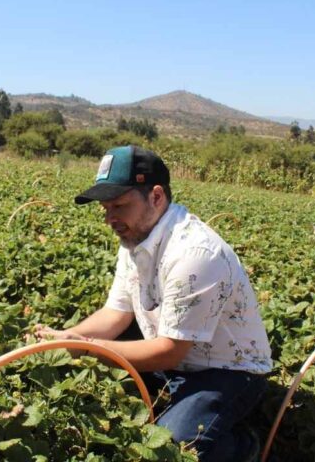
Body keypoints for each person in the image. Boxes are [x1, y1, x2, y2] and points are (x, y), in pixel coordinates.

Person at [33, 145, 272, 461]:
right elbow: (115, 313)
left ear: (156, 197)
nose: (110, 218)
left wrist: (87, 348)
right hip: (172, 358)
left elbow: (170, 350)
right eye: (105, 208)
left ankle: (242, 446)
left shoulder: (195, 255)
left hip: (226, 371)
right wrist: (63, 340)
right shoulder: (135, 236)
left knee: (172, 449)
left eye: (119, 205)